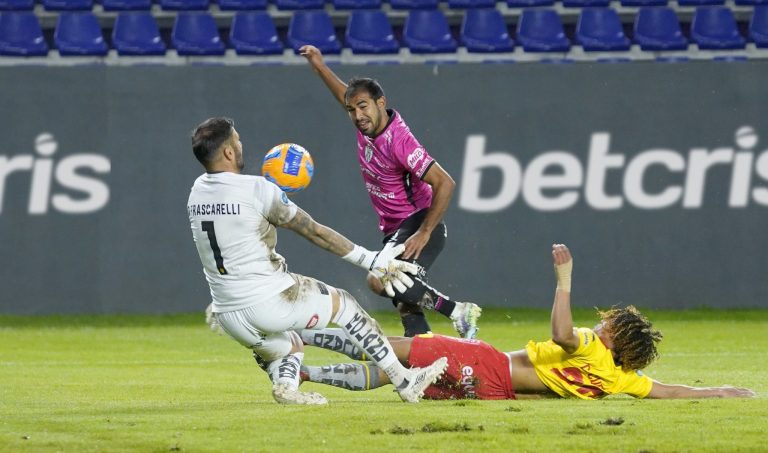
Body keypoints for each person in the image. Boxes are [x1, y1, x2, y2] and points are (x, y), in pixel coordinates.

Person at [187, 117, 449, 405]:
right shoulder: (257, 190)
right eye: (236, 140)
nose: (241, 145)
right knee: (346, 305)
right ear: (227, 152)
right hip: (268, 300)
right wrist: (370, 259)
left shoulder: (197, 192)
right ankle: (405, 380)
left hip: (228, 314)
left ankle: (287, 388)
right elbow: (315, 232)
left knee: (290, 346)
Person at [295, 244, 756, 400]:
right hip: (492, 391)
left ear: (618, 341)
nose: (603, 326)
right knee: (395, 374)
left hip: (489, 364)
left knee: (388, 346)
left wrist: (564, 279)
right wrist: (717, 390)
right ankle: (306, 372)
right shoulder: (619, 381)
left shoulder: (593, 349)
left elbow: (560, 333)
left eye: (611, 325)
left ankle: (304, 335)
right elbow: (669, 391)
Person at [300, 45, 481, 339]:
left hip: (416, 224)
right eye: (351, 110)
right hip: (394, 230)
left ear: (380, 103)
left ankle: (457, 311)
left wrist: (423, 232)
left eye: (363, 107)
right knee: (407, 307)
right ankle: (425, 367)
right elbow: (346, 95)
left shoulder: (399, 142)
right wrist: (319, 66)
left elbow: (445, 182)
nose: (357, 115)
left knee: (378, 278)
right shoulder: (367, 123)